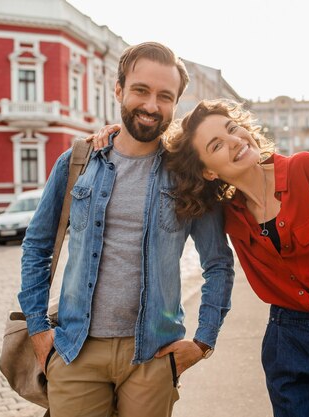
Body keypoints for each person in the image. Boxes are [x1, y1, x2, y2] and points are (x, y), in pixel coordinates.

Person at [96, 99, 309, 417]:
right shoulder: (226, 214)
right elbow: (161, 172)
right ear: (209, 172)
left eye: (231, 128)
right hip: (290, 344)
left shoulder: (305, 170)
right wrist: (117, 139)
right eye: (216, 145)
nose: (234, 140)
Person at [19, 44, 234, 417]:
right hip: (76, 352)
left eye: (164, 96)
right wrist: (38, 329)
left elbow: (218, 263)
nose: (151, 105)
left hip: (153, 356)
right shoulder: (77, 162)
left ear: (175, 104)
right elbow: (37, 246)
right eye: (141, 90)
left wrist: (203, 342)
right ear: (118, 90)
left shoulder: (187, 176)